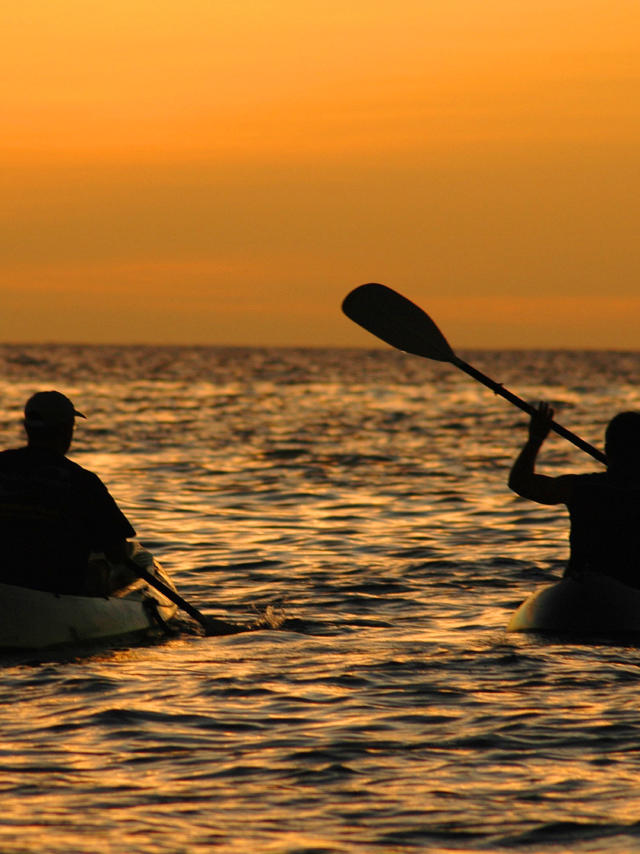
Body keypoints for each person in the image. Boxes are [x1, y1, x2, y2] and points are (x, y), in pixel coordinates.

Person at [0, 391, 137, 595]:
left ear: (27, 428)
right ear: (66, 431)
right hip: (58, 591)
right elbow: (116, 552)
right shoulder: (83, 482)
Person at [509, 402, 640, 588]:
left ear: (608, 449)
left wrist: (535, 440)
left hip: (585, 588)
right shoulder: (583, 487)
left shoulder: (582, 488)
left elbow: (520, 482)